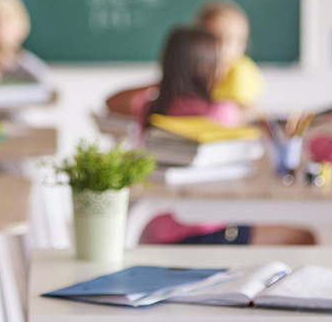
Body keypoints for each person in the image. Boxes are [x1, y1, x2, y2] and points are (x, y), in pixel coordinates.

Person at [133, 26, 314, 245]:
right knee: (304, 236)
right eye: (219, 63)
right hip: (210, 230)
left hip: (156, 229)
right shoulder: (221, 112)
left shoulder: (147, 108)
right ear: (205, 69)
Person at [107, 0, 263, 120]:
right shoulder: (174, 98)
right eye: (213, 40)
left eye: (236, 40)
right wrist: (166, 83)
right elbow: (114, 104)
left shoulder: (239, 83)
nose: (224, 49)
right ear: (193, 43)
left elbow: (246, 114)